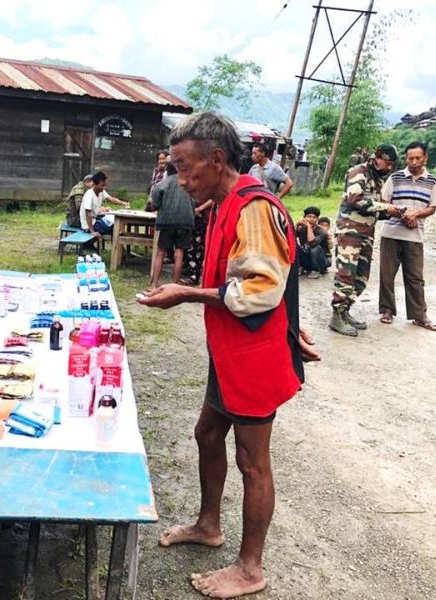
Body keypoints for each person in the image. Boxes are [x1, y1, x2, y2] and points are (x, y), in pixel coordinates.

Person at [138, 112, 303, 599]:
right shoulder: (225, 204)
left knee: (253, 461)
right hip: (231, 352)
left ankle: (251, 569)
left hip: (254, 356)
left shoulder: (253, 207)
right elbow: (280, 273)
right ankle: (209, 525)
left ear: (216, 159)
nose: (179, 179)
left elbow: (261, 289)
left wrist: (187, 294)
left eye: (186, 168)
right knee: (207, 433)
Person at [329, 144, 404, 337]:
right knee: (345, 275)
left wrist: (394, 212)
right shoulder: (358, 172)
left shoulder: (377, 179)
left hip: (366, 233)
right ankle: (336, 316)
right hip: (349, 232)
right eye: (387, 163)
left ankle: (346, 311)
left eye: (392, 165)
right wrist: (386, 207)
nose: (389, 168)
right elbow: (356, 200)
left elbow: (374, 210)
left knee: (361, 278)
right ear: (377, 157)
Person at [378, 141, 436, 330]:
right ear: (406, 159)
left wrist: (415, 214)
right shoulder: (395, 178)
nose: (413, 162)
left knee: (415, 277)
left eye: (417, 158)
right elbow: (384, 203)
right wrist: (404, 214)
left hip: (415, 236)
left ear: (425, 158)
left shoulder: (432, 181)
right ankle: (387, 310)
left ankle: (419, 315)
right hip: (391, 233)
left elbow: (432, 208)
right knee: (387, 274)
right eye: (410, 158)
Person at [149, 160, 196, 288]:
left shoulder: (162, 184)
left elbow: (155, 204)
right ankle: (174, 285)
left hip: (167, 222)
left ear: (167, 170)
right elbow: (195, 200)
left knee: (161, 252)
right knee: (179, 254)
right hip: (185, 221)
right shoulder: (189, 183)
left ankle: (154, 284)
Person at [79, 171, 129, 238]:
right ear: (95, 184)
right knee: (114, 228)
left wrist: (123, 203)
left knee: (115, 225)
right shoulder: (89, 195)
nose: (104, 187)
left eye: (105, 185)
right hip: (88, 226)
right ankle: (117, 247)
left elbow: (111, 198)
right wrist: (92, 231)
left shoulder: (101, 191)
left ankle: (117, 246)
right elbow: (88, 214)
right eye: (102, 185)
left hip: (95, 221)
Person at [184, 197, 214, 285]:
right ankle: (193, 274)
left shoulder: (209, 189)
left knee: (198, 249)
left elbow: (212, 199)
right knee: (193, 248)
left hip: (203, 219)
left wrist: (200, 208)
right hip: (195, 219)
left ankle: (195, 276)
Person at [295, 206, 329, 278]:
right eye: (309, 216)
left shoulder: (321, 231)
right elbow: (290, 237)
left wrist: (309, 227)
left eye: (314, 217)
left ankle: (316, 270)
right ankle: (299, 267)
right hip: (308, 258)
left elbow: (312, 242)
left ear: (317, 219)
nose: (311, 219)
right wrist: (297, 224)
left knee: (314, 247)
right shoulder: (301, 229)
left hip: (322, 260)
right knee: (293, 245)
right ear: (304, 218)